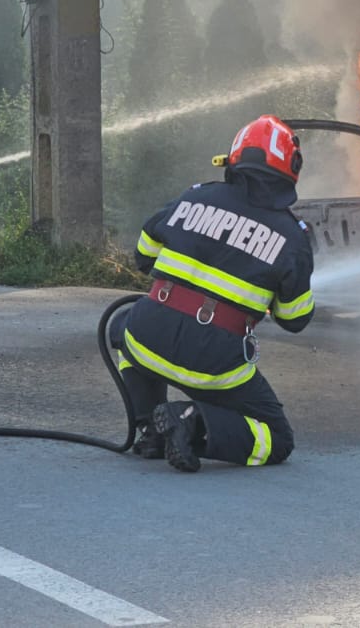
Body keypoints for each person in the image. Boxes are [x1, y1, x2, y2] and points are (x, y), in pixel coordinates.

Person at [111, 114, 316, 472]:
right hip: (212, 365)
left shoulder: (194, 197)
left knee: (121, 329)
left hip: (148, 339)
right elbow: (295, 319)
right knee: (276, 438)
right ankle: (192, 423)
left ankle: (149, 428)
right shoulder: (292, 236)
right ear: (291, 169)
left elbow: (144, 255)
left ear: (232, 160)